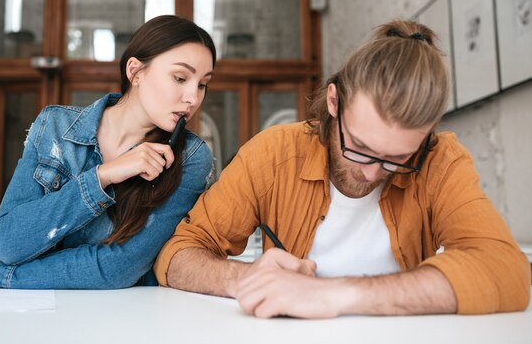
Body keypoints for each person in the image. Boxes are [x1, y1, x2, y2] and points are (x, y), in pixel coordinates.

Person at [154, 19, 531, 318]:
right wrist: (246, 277)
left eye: (397, 159)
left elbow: (506, 271)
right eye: (361, 148)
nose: (372, 172)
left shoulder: (439, 160)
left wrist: (337, 293)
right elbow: (177, 255)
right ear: (334, 101)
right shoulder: (273, 153)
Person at [0, 15, 216, 289]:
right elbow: (8, 243)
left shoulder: (189, 158)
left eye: (202, 84)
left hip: (125, 322)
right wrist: (101, 177)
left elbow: (118, 268)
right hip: (33, 318)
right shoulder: (55, 126)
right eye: (180, 78)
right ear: (135, 72)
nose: (192, 97)